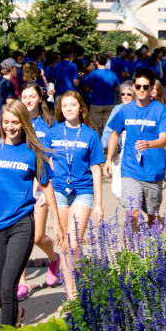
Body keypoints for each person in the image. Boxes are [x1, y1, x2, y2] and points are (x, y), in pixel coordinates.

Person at [0, 101, 53, 327]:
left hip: (22, 223)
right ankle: (15, 315)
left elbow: (46, 185)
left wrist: (58, 222)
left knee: (9, 286)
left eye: (15, 122)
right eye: (6, 122)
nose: (10, 127)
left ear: (24, 123)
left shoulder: (32, 152)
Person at [43, 91, 105, 301]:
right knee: (64, 245)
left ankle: (76, 292)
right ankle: (72, 294)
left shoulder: (90, 134)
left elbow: (96, 169)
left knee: (74, 244)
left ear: (81, 108)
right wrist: (44, 189)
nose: (68, 108)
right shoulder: (54, 133)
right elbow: (45, 162)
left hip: (82, 192)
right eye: (65, 105)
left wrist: (98, 204)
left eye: (72, 105)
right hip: (59, 192)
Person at [106, 72, 166, 231]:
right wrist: (108, 159)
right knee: (133, 213)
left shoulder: (161, 110)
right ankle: (130, 250)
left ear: (151, 88)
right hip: (130, 168)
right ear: (134, 87)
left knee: (152, 214)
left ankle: (156, 246)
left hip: (153, 169)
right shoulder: (124, 110)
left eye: (145, 87)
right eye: (138, 86)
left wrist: (149, 144)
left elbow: (164, 139)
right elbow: (115, 134)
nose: (141, 90)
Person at [17, 85, 61, 299]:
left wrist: (45, 190)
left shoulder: (47, 126)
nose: (27, 100)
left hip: (39, 187)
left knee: (36, 237)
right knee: (18, 239)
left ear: (39, 98)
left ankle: (53, 259)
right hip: (17, 187)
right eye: (24, 96)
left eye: (31, 96)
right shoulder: (15, 123)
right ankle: (21, 283)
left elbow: (50, 159)